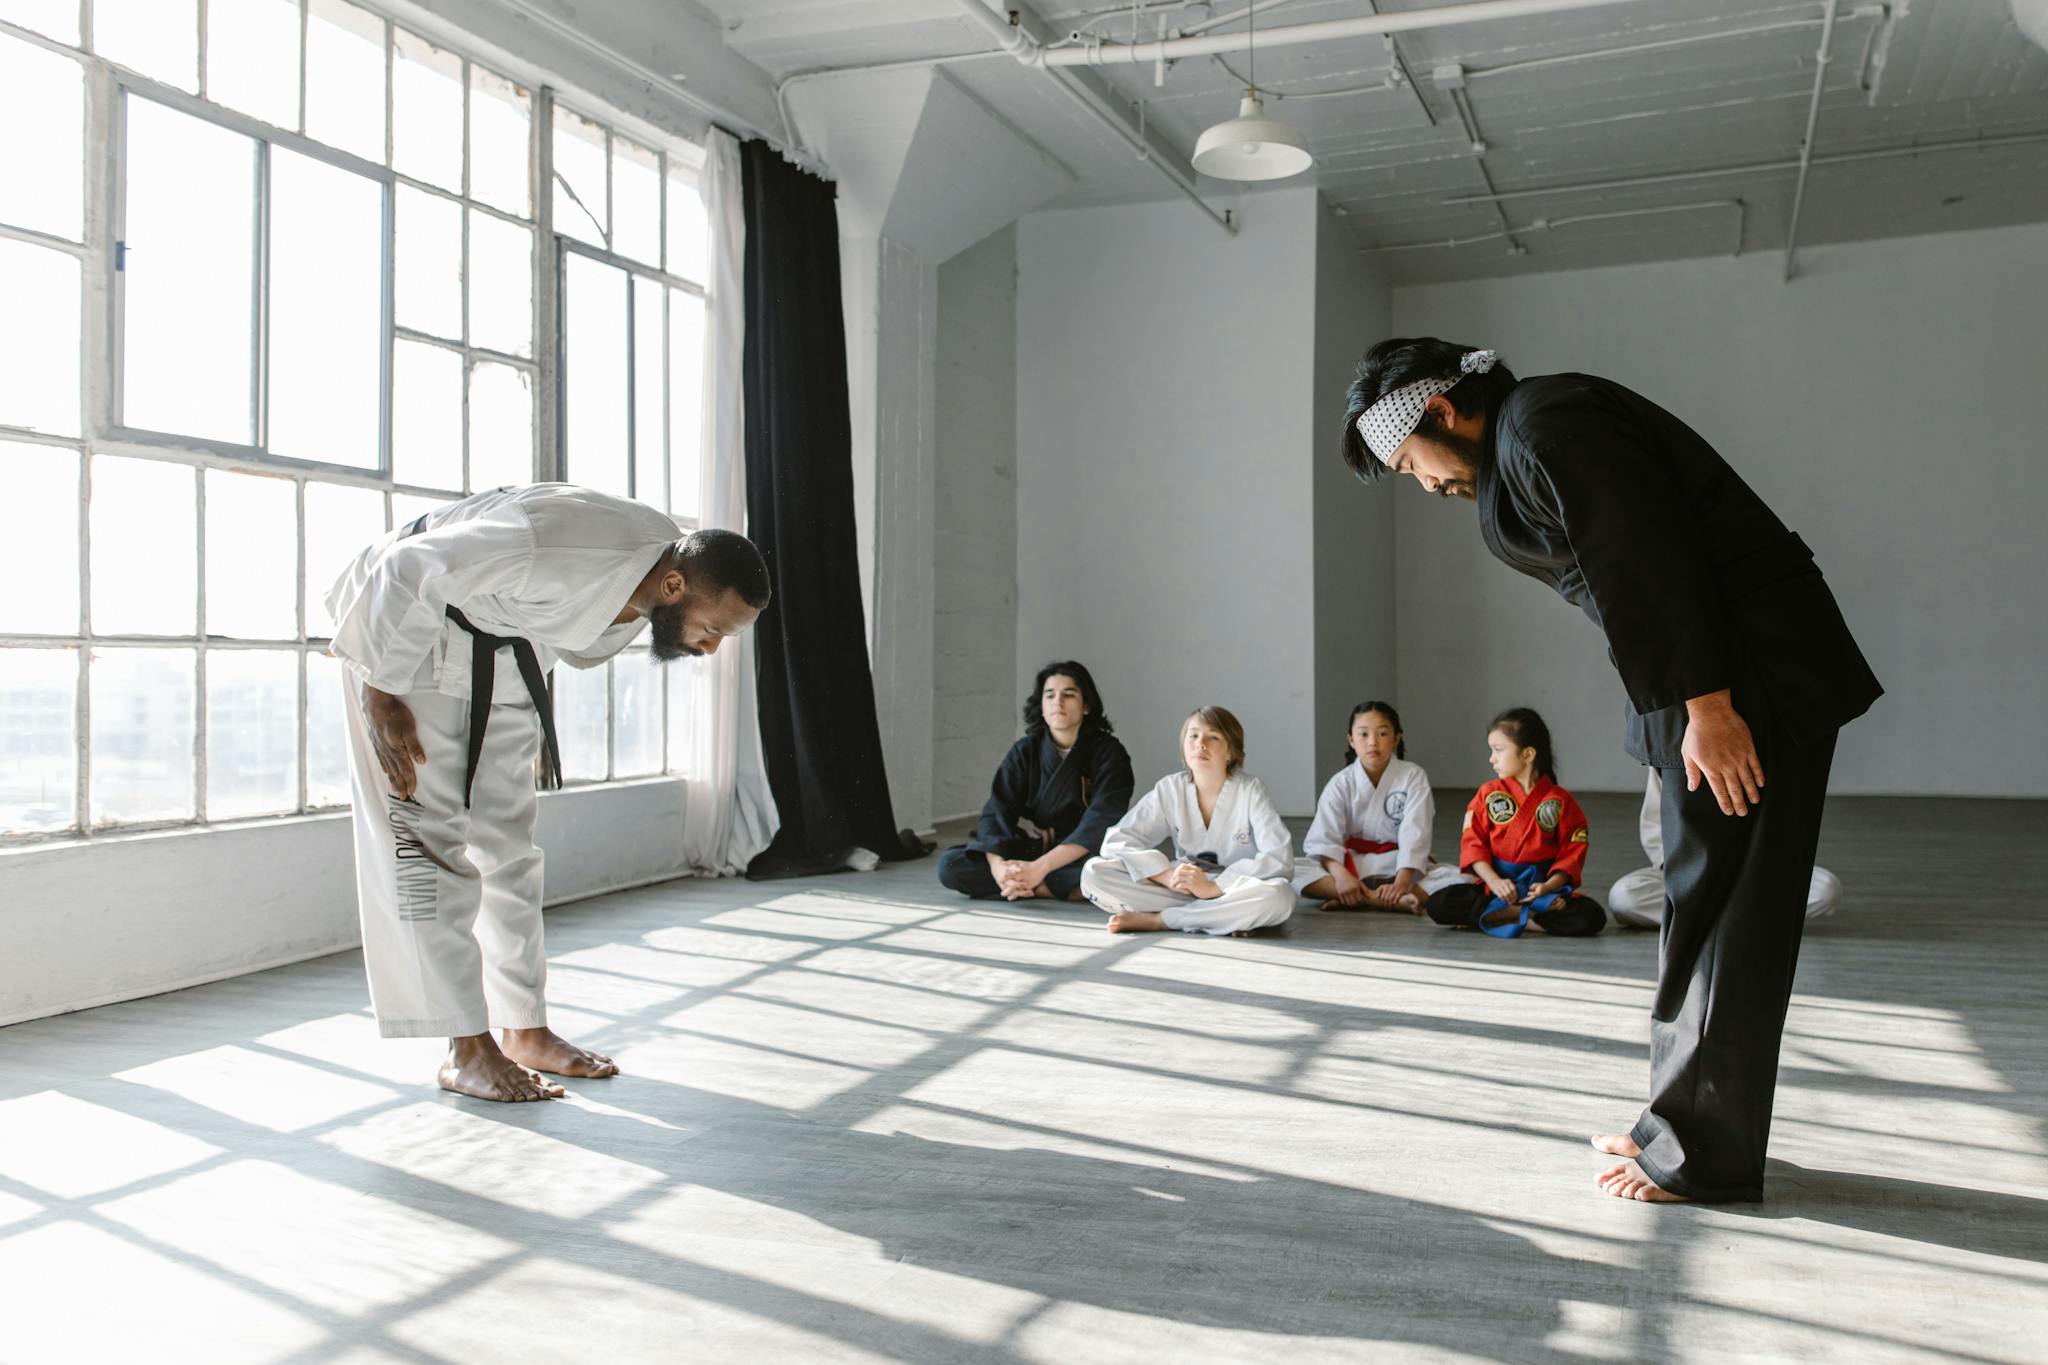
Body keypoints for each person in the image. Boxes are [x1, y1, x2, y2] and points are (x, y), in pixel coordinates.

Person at [1342, 338, 1881, 1203]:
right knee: (1695, 902)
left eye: (1411, 463)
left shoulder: (1547, 426)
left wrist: (1707, 707)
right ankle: (1679, 1122)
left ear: (1441, 412)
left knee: (1730, 913)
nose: (1426, 485)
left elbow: (1648, 560)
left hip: (1743, 682)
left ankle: (1703, 1152)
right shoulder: (1528, 433)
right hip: (1709, 678)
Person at [326, 484, 770, 1103]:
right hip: (403, 634)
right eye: (712, 628)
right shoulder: (549, 543)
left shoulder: (656, 563)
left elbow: (552, 620)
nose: (709, 647)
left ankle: (524, 1028)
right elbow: (408, 566)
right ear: (674, 586)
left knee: (509, 848)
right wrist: (380, 688)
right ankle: (464, 1047)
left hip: (504, 653)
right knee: (425, 843)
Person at [1080, 706, 1295, 937]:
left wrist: (1213, 887)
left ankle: (1162, 920)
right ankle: (1226, 918)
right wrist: (1166, 875)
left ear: (1231, 752)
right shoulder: (1169, 789)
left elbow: (1279, 859)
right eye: (1193, 735)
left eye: (1213, 737)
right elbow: (1117, 840)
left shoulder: (1250, 791)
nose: (1200, 744)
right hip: (1182, 887)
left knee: (1279, 896)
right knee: (1093, 873)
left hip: (1233, 888)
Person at [936, 661, 1135, 902]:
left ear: (1086, 706)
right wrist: (999, 868)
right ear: (1041, 706)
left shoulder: (1109, 753)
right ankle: (1047, 887)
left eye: (1069, 694)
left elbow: (1100, 820)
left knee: (1112, 870)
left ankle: (1035, 886)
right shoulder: (1025, 751)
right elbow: (997, 812)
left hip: (1083, 850)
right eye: (1049, 695)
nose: (1057, 702)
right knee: (951, 865)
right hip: (1038, 846)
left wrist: (1039, 868)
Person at [1423, 708, 1605, 937]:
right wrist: (1496, 882)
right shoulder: (1487, 794)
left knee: (1592, 915)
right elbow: (1473, 845)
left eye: (1498, 750)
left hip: (1539, 890)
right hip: (1496, 888)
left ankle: (1501, 914)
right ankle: (1522, 915)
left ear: (1528, 754)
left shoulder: (1560, 801)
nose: (1492, 758)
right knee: (1438, 903)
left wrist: (1548, 887)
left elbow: (1572, 853)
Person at [1609, 771, 1842, 927]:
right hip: (1687, 875)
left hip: (1751, 874)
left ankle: (1704, 920)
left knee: (1824, 889)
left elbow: (1782, 828)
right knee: (1625, 897)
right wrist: (1688, 870)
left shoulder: (1765, 744)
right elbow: (1657, 828)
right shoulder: (1669, 744)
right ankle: (1736, 919)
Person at [1294, 700, 1463, 912]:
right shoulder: (1341, 782)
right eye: (1363, 734)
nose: (1373, 742)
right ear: (1351, 740)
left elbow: (1415, 832)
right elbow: (1324, 839)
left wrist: (1401, 883)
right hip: (1353, 863)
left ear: (1396, 738)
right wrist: (1341, 876)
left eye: (1382, 734)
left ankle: (1356, 898)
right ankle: (1386, 900)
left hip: (1399, 864)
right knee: (1294, 870)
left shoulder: (1412, 775)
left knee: (1460, 877)